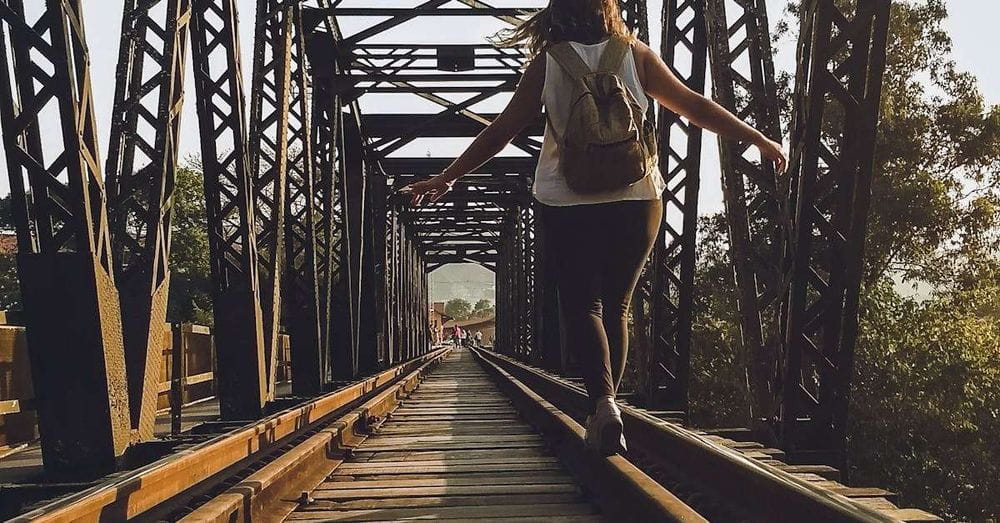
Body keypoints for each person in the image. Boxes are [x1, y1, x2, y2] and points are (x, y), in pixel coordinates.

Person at [402, 0, 787, 455]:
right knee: (618, 307)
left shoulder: (548, 62)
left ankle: (602, 404)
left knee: (584, 306)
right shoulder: (635, 54)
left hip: (567, 199)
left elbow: (501, 130)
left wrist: (446, 176)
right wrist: (758, 138)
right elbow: (693, 105)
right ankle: (609, 407)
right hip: (638, 196)